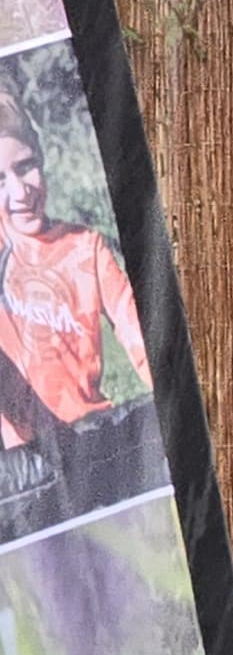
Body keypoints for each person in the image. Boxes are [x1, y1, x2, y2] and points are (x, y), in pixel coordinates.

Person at [0, 98, 147, 436]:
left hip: (93, 435)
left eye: (25, 167)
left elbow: (144, 338)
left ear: (41, 158)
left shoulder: (85, 248)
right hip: (24, 461)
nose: (20, 191)